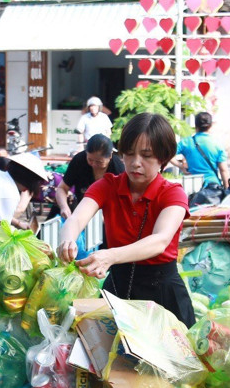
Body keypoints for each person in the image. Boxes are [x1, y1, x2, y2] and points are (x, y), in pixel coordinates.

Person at [57, 113, 194, 326]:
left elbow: (160, 240)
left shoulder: (173, 194)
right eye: (129, 154)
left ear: (163, 158)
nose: (135, 163)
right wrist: (67, 241)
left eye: (147, 155)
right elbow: (75, 220)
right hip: (118, 287)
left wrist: (111, 256)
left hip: (162, 292)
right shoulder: (107, 185)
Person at [54, 134, 125, 220]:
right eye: (90, 160)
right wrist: (64, 207)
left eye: (99, 162)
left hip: (110, 217)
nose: (94, 165)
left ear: (110, 156)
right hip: (82, 213)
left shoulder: (118, 169)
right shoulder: (79, 161)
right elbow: (62, 188)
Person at [172, 112, 229, 187]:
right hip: (212, 186)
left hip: (192, 185)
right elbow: (223, 170)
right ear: (210, 125)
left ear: (195, 126)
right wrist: (226, 188)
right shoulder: (218, 144)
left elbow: (168, 155)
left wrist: (181, 166)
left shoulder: (186, 142)